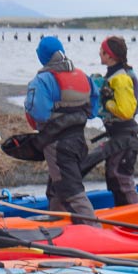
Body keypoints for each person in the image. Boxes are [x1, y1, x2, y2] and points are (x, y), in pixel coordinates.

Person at [24, 35, 99, 223]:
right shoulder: (83, 76)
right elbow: (93, 111)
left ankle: (92, 231)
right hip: (79, 141)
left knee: (70, 190)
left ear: (42, 56)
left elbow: (38, 113)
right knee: (56, 187)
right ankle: (57, 223)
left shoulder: (42, 80)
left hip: (57, 145)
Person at [82, 36, 138, 206]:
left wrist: (107, 102)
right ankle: (123, 213)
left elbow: (125, 111)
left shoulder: (121, 78)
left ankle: (137, 215)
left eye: (102, 51)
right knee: (113, 176)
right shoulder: (113, 75)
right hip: (118, 135)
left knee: (120, 176)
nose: (99, 53)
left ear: (110, 55)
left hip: (125, 136)